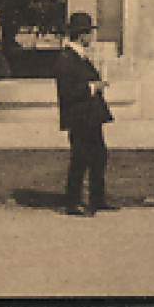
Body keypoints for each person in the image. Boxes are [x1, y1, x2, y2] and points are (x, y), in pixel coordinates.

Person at [55, 12, 117, 216]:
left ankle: (97, 199)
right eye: (89, 33)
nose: (91, 37)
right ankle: (72, 203)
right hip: (79, 116)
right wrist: (93, 86)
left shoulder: (79, 57)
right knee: (80, 158)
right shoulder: (66, 58)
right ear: (81, 35)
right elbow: (67, 91)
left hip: (90, 116)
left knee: (99, 156)